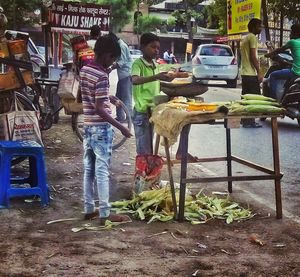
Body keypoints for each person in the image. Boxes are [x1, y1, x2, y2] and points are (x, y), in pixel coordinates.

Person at [79, 34, 132, 225]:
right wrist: (121, 127)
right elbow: (100, 108)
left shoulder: (85, 70)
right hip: (101, 129)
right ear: (107, 55)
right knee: (102, 170)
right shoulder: (101, 76)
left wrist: (109, 97)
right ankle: (104, 213)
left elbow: (86, 97)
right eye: (113, 59)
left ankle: (88, 208)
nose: (112, 63)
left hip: (87, 126)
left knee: (89, 169)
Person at [131, 33, 200, 162]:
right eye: (153, 47)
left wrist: (172, 79)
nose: (156, 50)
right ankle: (144, 178)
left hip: (154, 109)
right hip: (142, 112)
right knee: (144, 154)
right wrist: (156, 77)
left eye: (158, 48)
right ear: (143, 47)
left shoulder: (155, 65)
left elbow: (158, 83)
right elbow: (135, 80)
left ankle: (181, 152)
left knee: (185, 119)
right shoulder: (137, 64)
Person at [240, 18, 264, 128]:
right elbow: (253, 57)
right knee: (254, 98)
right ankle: (250, 122)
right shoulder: (253, 38)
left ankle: (243, 120)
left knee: (245, 98)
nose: (261, 28)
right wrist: (259, 72)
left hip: (244, 73)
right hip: (250, 73)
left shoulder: (245, 38)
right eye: (259, 26)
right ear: (254, 27)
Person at [265, 24, 300, 98]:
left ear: (295, 33)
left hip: (295, 73)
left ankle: (273, 100)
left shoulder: (292, 42)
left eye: (291, 32)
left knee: (273, 75)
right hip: (295, 70)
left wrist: (268, 55)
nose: (290, 34)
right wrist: (289, 63)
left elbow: (279, 50)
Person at [109, 32, 133, 122]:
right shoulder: (119, 45)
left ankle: (129, 118)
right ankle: (120, 117)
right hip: (122, 76)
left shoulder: (121, 46)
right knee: (118, 97)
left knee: (126, 98)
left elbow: (121, 62)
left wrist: (110, 68)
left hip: (126, 74)